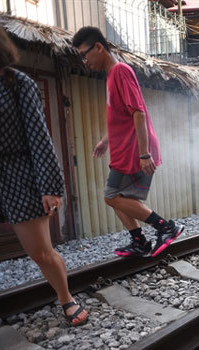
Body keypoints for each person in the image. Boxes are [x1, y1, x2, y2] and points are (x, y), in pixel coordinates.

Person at [0, 2, 87, 326]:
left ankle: (66, 298)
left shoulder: (15, 82)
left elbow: (39, 138)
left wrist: (51, 187)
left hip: (17, 174)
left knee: (40, 252)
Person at [72, 27, 184, 258]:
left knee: (111, 196)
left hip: (135, 150)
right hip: (125, 149)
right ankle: (139, 242)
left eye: (85, 54)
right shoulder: (112, 75)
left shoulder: (121, 71)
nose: (84, 61)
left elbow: (139, 113)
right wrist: (106, 140)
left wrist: (144, 154)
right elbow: (121, 118)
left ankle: (166, 228)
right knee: (118, 198)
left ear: (99, 47)